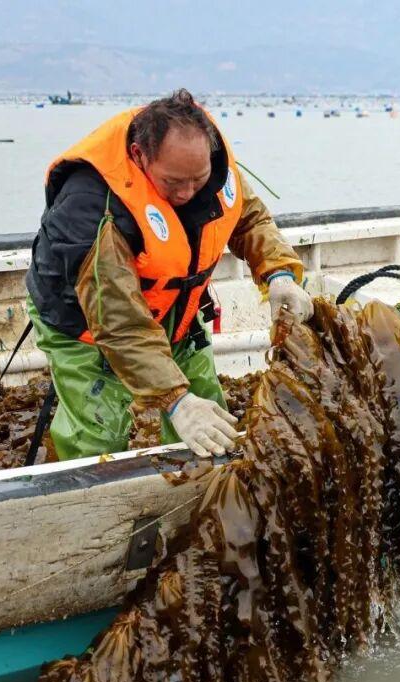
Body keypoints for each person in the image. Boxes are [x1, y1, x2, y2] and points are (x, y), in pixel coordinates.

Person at [25, 89, 312, 460]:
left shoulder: (209, 166)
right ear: (139, 156)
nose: (189, 193)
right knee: (98, 435)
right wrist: (176, 400)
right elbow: (120, 323)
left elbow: (248, 217)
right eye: (174, 183)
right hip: (85, 320)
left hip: (175, 306)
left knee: (209, 410)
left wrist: (278, 274)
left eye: (198, 179)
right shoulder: (96, 208)